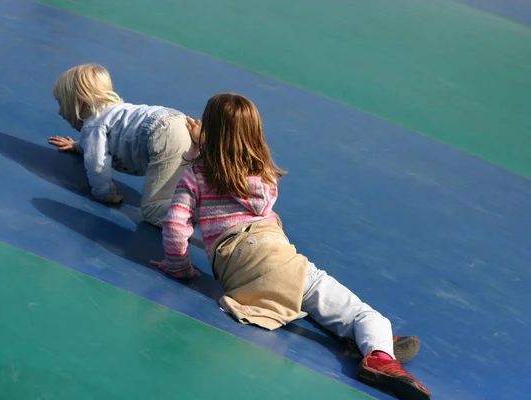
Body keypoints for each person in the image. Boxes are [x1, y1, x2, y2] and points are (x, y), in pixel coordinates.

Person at [151, 93, 431, 400]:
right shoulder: (264, 177)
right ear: (255, 135)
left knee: (297, 297)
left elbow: (176, 225)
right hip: (281, 260)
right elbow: (237, 174)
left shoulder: (195, 174)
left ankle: (363, 339)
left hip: (238, 271)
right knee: (364, 315)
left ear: (209, 132)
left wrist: (179, 268)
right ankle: (379, 353)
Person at [48, 63, 198, 227]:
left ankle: (206, 210)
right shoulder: (115, 113)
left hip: (163, 135)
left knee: (152, 210)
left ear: (78, 103)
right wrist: (80, 146)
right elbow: (104, 140)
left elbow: (97, 163)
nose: (60, 112)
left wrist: (104, 193)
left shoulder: (94, 125)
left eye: (61, 103)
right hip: (181, 124)